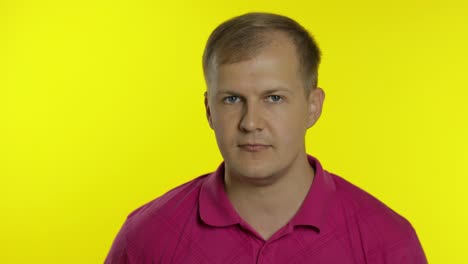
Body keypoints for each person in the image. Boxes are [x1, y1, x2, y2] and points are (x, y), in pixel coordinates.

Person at [105, 12, 428, 263]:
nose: (251, 122)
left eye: (273, 98)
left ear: (313, 106)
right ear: (208, 110)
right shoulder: (148, 236)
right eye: (232, 99)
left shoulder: (387, 241)